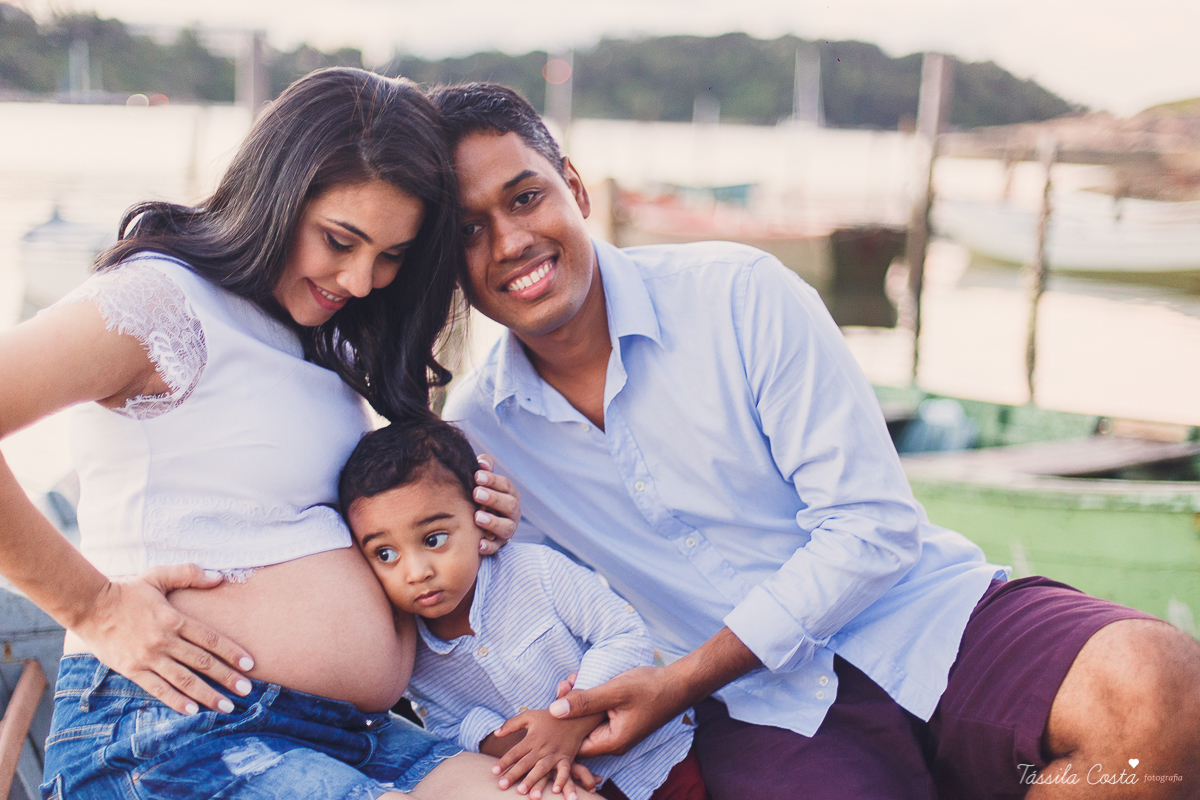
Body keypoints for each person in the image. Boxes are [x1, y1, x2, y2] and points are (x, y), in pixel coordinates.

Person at [432, 82, 1200, 800]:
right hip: (750, 712)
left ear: (575, 185)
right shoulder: (479, 435)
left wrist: (680, 680)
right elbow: (515, 614)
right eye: (468, 231)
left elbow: (873, 525)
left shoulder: (738, 294)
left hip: (922, 615)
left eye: (525, 197)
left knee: (1159, 692)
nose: (509, 242)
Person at [0, 68, 554, 799]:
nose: (360, 280)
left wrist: (462, 518)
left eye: (390, 256)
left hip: (345, 732)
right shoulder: (161, 304)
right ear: (277, 194)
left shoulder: (323, 340)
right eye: (339, 240)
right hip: (175, 729)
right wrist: (93, 606)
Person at [339, 418, 705, 800]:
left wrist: (568, 719)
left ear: (482, 516)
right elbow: (448, 725)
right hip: (560, 786)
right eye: (385, 553)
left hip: (657, 761)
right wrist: (530, 748)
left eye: (434, 539)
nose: (416, 572)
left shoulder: (537, 571)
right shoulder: (409, 650)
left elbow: (625, 634)